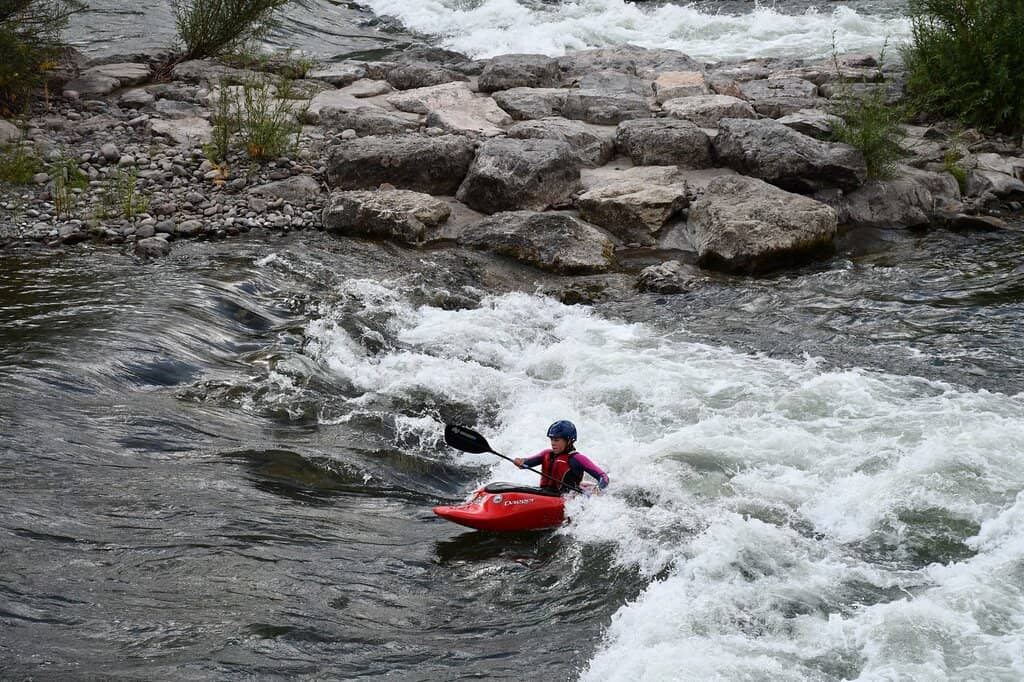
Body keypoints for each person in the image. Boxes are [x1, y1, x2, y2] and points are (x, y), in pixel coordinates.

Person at [513, 420, 609, 494]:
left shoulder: (577, 459)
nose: (553, 443)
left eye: (557, 440)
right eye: (551, 439)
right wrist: (520, 462)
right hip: (544, 493)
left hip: (566, 499)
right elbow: (526, 463)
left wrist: (598, 488)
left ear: (569, 441)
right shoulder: (546, 454)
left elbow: (603, 477)